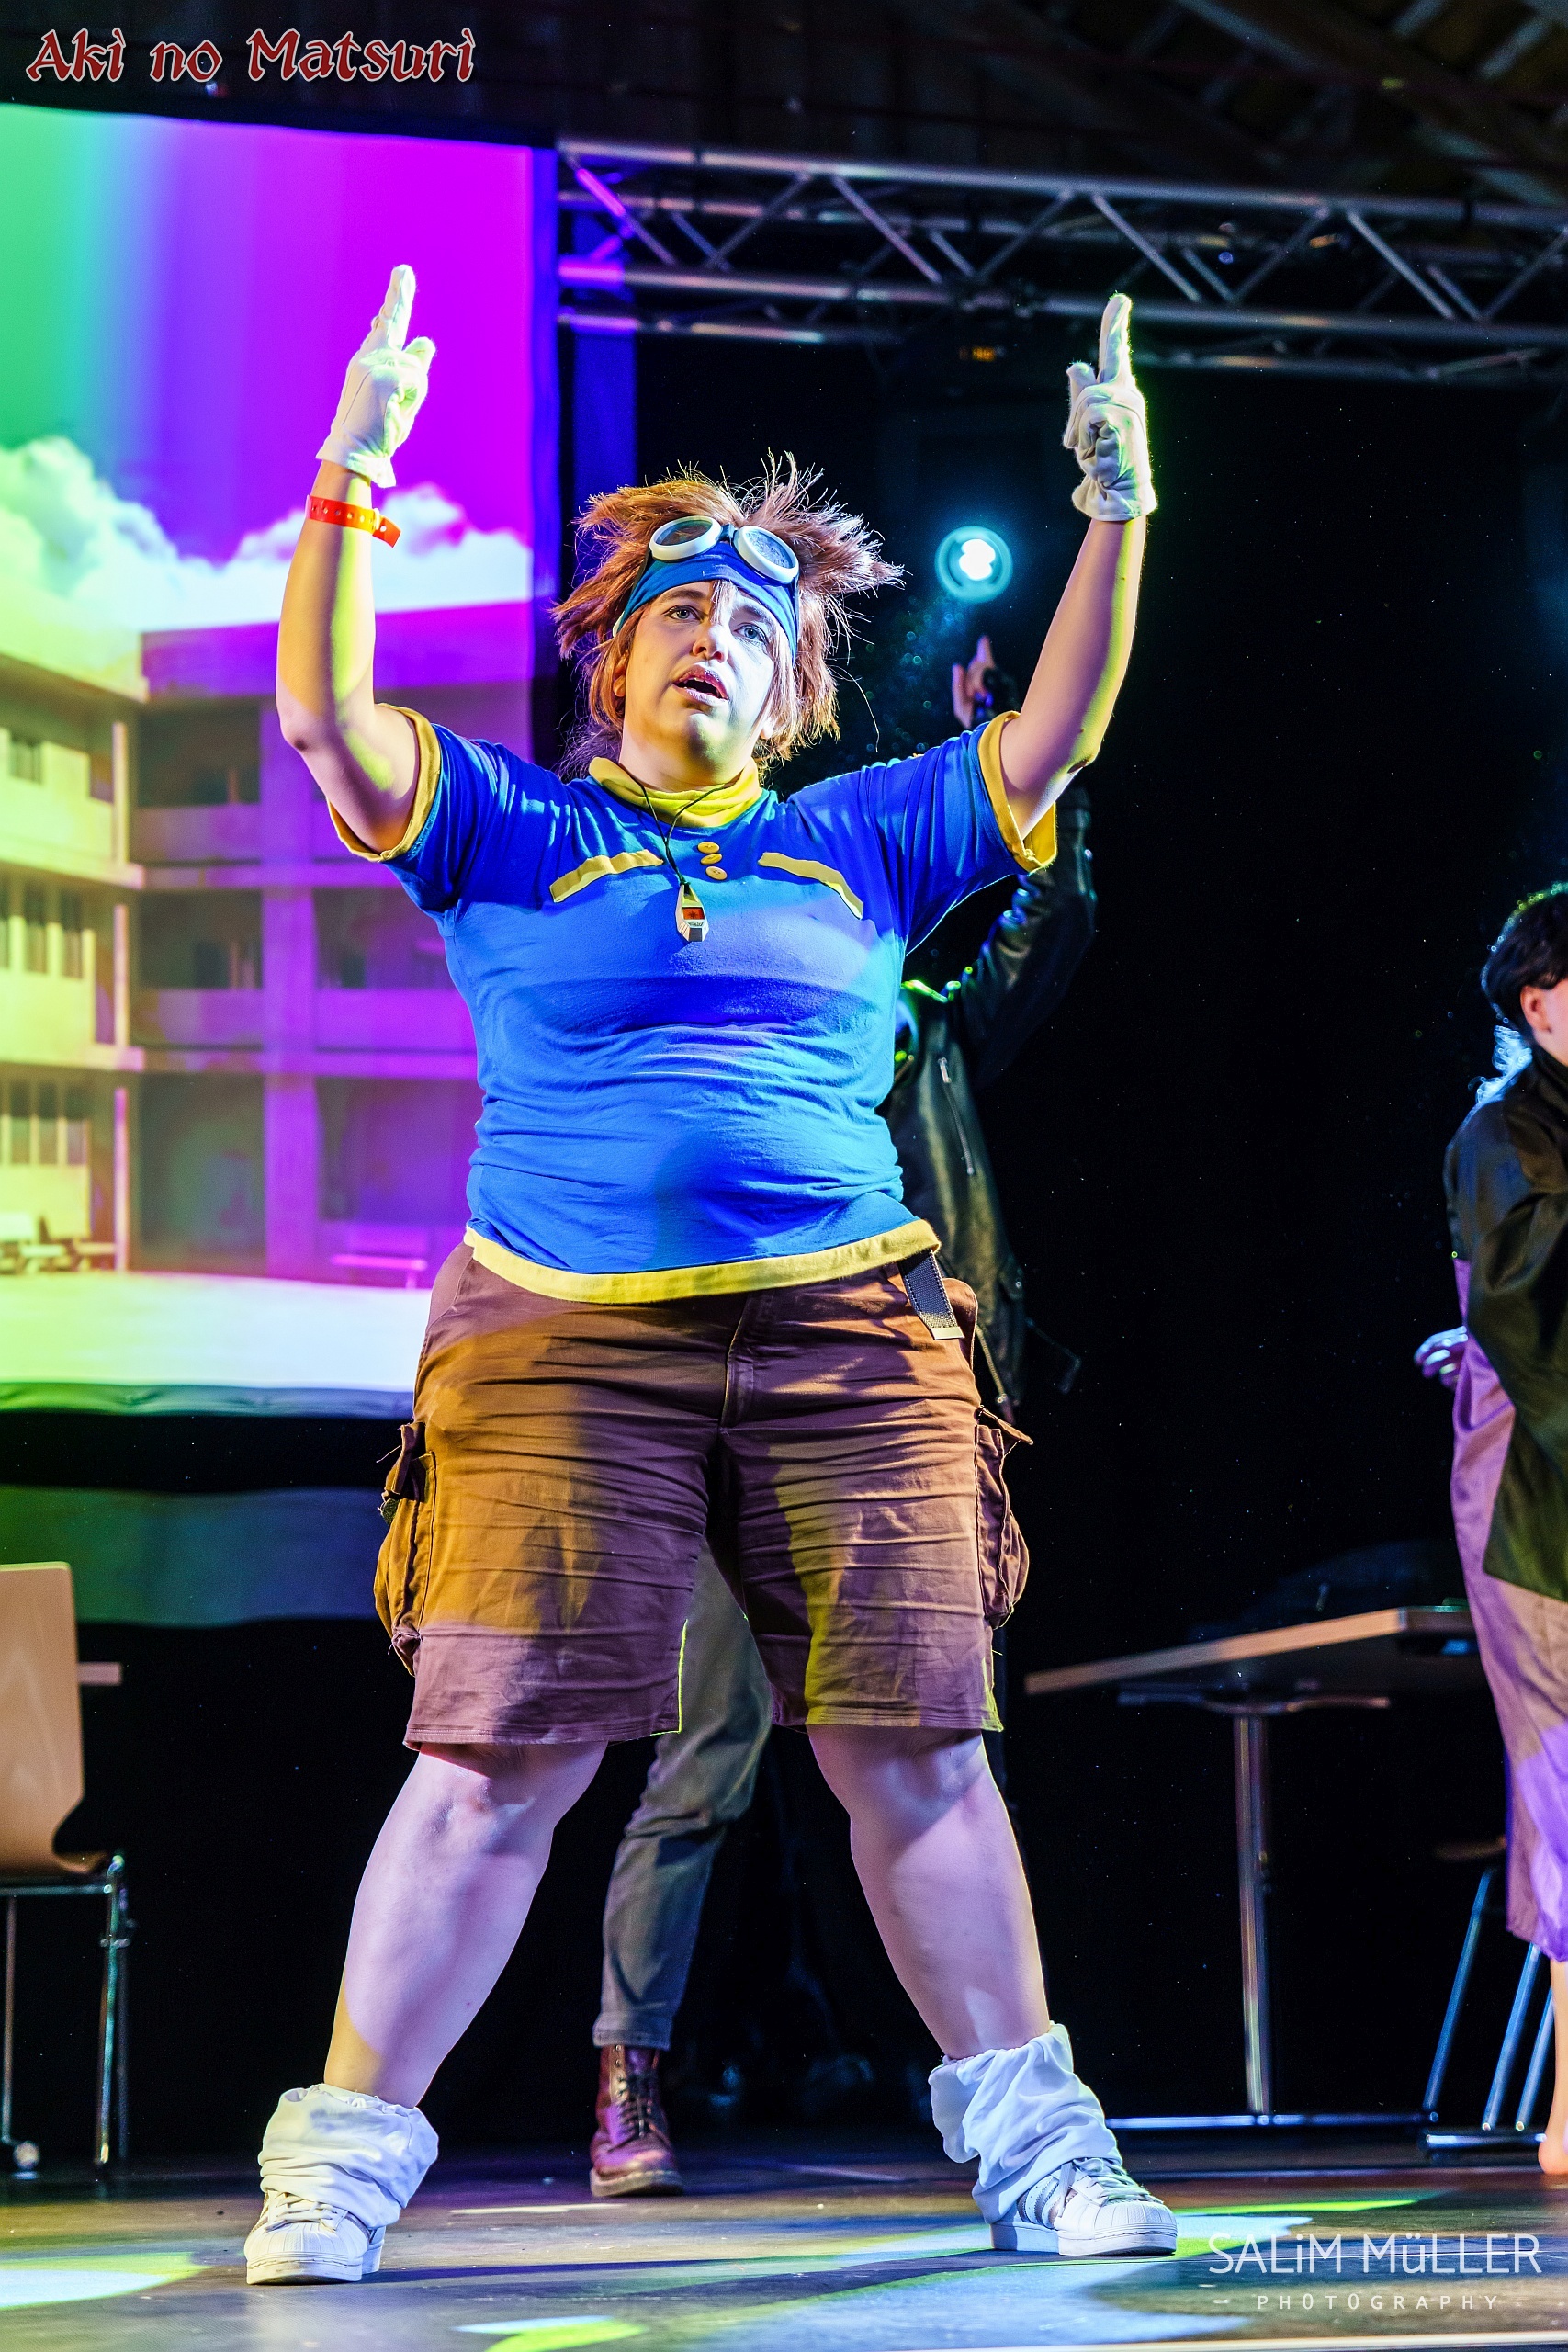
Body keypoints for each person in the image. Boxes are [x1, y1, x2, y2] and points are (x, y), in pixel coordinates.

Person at [243, 263, 1171, 2287]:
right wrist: (348, 475)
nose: (715, 639)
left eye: (754, 625)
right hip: (560, 1342)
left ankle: (1044, 2148)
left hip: (851, 1334)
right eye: (680, 610)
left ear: (790, 687)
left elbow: (1055, 732)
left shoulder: (867, 835)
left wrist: (1116, 507)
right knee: (494, 1760)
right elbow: (324, 716)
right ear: (613, 657)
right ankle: (336, 2166)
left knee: (914, 1750)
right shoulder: (506, 820)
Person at [590, 647, 1099, 2198]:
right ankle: (629, 2073)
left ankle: (1013, 2104)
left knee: (932, 1758)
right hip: (730, 1411)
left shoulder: (928, 1028)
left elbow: (1051, 919)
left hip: (894, 1412)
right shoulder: (710, 1029)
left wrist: (1015, 756)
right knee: (704, 1764)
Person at [1423, 885, 1568, 2179]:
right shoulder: (1502, 1136)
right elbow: (1529, 1322)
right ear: (1543, 1004)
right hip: (1536, 1506)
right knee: (1563, 1781)